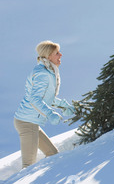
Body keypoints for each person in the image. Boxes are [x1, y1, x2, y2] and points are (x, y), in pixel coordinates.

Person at [14, 40, 75, 169]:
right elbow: (34, 99)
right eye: (57, 53)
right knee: (28, 166)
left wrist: (64, 105)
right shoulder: (42, 73)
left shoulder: (49, 72)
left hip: (30, 122)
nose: (61, 55)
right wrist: (50, 114)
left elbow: (48, 98)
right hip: (26, 122)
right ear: (48, 56)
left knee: (53, 154)